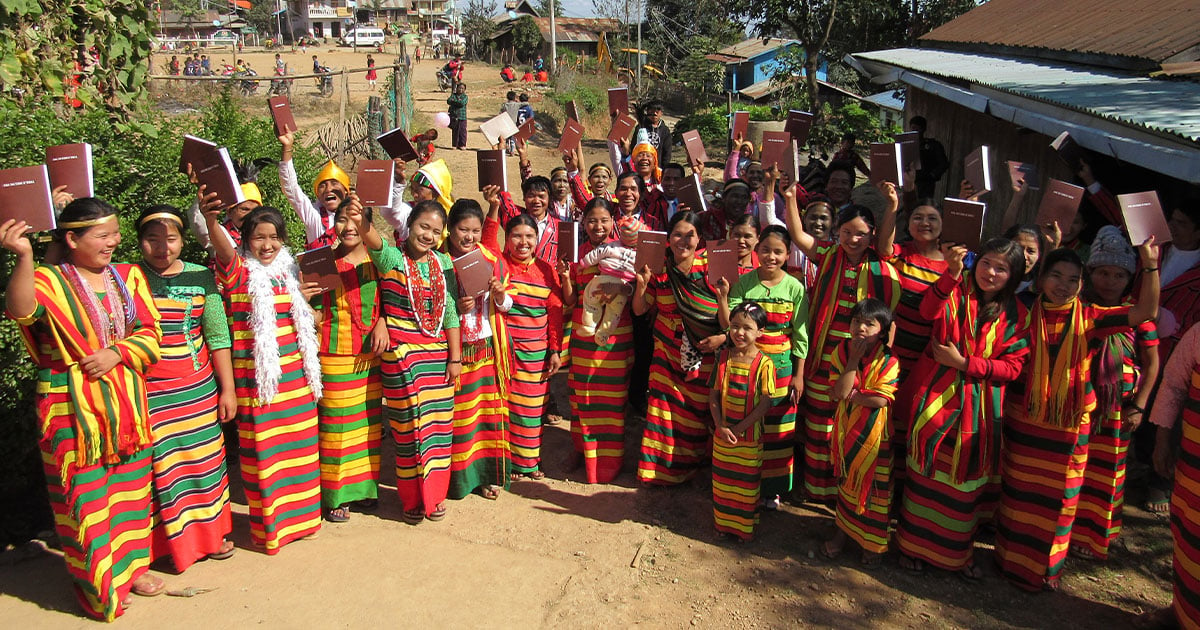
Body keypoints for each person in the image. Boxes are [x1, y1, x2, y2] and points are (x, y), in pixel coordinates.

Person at [1, 199, 164, 620]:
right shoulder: (48, 280)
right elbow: (21, 310)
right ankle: (99, 586)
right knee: (87, 499)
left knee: (130, 493)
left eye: (115, 233)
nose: (114, 242)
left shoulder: (127, 277)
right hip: (70, 407)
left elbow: (151, 332)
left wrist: (117, 353)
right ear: (72, 239)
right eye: (103, 235)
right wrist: (23, 256)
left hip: (126, 402)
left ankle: (134, 569)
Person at [994, 241, 1159, 592]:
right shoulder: (1020, 313)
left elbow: (1145, 311)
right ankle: (1009, 561)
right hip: (1025, 419)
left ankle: (1044, 572)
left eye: (1072, 279)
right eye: (1055, 275)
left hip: (1069, 425)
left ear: (1081, 286)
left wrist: (1150, 265)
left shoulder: (1092, 319)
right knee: (1020, 492)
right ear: (1040, 280)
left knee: (1060, 498)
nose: (1062, 285)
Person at [894, 238, 1029, 579]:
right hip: (935, 394)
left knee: (964, 479)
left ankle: (955, 554)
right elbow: (927, 312)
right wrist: (951, 275)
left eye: (1001, 269)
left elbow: (1013, 368)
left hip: (979, 407)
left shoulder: (1017, 313)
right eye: (986, 263)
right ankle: (911, 547)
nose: (991, 273)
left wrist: (965, 362)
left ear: (1012, 277)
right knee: (926, 470)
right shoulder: (955, 290)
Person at [200, 189, 324, 554]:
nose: (266, 245)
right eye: (258, 237)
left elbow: (308, 319)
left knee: (300, 451)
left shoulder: (291, 271)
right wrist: (210, 220)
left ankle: (303, 522)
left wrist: (307, 302)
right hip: (259, 382)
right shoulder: (238, 272)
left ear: (283, 240)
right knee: (265, 455)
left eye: (273, 237)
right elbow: (223, 250)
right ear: (245, 239)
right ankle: (272, 530)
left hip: (297, 380)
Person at [783, 185, 900, 501]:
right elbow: (797, 234)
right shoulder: (828, 254)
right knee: (820, 422)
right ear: (837, 232)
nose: (853, 239)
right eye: (847, 232)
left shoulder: (880, 264)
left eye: (861, 234)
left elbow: (888, 243)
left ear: (871, 235)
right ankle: (818, 488)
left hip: (861, 356)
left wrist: (892, 207)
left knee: (848, 420)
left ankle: (846, 489)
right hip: (824, 355)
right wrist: (791, 198)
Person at [135, 206, 237, 570]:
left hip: (196, 389)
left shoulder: (200, 276)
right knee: (161, 469)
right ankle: (165, 548)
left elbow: (217, 334)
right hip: (147, 393)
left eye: (172, 239)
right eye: (153, 240)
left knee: (205, 463)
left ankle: (212, 537)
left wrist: (228, 390)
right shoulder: (127, 279)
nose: (163, 248)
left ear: (182, 240)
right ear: (139, 242)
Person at [354, 200, 461, 524]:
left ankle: (435, 496)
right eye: (423, 227)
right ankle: (413, 498)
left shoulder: (444, 263)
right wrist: (361, 219)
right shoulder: (391, 258)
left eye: (435, 231)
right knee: (410, 429)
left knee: (439, 430)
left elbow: (451, 313)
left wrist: (455, 358)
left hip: (438, 357)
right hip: (402, 358)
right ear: (410, 224)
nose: (428, 235)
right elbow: (371, 237)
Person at [1070, 227, 1159, 560]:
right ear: (1091, 272)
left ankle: (1092, 538)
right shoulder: (1079, 308)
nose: (1110, 281)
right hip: (1079, 404)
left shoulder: (1138, 317)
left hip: (1118, 410)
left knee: (1106, 474)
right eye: (1103, 272)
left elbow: (1152, 366)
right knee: (1074, 467)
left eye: (1118, 274)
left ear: (1129, 278)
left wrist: (1139, 406)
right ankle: (1066, 528)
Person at [717, 225, 809, 509]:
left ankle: (773, 490)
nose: (771, 256)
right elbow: (728, 325)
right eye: (766, 250)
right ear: (757, 252)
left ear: (788, 254)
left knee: (778, 430)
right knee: (746, 425)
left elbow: (801, 335)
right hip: (746, 367)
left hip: (781, 369)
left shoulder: (795, 287)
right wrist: (723, 298)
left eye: (778, 251)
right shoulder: (744, 284)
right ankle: (743, 485)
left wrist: (799, 375)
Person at [634, 211, 727, 485]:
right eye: (677, 234)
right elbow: (640, 310)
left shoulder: (712, 266)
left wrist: (722, 335)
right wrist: (641, 286)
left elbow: (729, 315)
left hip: (705, 351)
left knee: (698, 413)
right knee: (663, 411)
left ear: (700, 239)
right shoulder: (658, 266)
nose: (683, 241)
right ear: (668, 237)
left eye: (690, 235)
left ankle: (695, 464)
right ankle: (660, 472)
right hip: (666, 351)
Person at [310, 198, 388, 523]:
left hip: (371, 357)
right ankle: (335, 494)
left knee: (368, 425)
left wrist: (382, 321)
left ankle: (365, 489)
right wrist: (309, 311)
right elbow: (309, 305)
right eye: (342, 219)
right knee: (336, 426)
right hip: (334, 354)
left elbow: (392, 298)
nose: (349, 226)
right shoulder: (323, 261)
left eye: (356, 219)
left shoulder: (379, 260)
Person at [563, 199, 635, 483]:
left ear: (613, 222)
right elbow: (569, 299)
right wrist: (562, 274)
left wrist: (619, 287)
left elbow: (640, 288)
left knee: (611, 401)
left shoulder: (627, 251)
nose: (598, 226)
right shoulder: (575, 253)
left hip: (616, 336)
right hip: (583, 334)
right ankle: (580, 450)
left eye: (604, 220)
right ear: (584, 223)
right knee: (581, 396)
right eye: (592, 220)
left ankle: (608, 461)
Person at [445, 199, 513, 500]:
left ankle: (487, 476)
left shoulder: (491, 260)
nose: (469, 237)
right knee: (458, 419)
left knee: (486, 417)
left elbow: (508, 305)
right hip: (454, 354)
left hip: (487, 349)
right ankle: (458, 482)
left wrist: (499, 295)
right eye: (463, 230)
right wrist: (455, 308)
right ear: (450, 229)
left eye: (475, 230)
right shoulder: (439, 261)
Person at [824, 298, 900, 564]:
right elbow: (839, 392)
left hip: (876, 437)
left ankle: (872, 544)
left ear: (883, 330)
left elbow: (880, 400)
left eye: (870, 323)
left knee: (875, 491)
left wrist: (851, 395)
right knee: (847, 485)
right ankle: (842, 534)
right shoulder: (842, 352)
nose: (861, 328)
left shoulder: (889, 360)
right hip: (847, 430)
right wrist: (854, 360)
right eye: (857, 321)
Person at [491, 212, 564, 479]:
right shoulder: (498, 266)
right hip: (505, 352)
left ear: (538, 238)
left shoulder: (547, 270)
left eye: (529, 236)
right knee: (507, 407)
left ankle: (530, 461)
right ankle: (509, 463)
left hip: (537, 353)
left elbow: (555, 312)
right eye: (517, 236)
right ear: (507, 239)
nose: (523, 242)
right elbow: (487, 242)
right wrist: (493, 209)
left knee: (533, 409)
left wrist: (555, 349)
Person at [1146, 322, 1200, 629]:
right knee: (1189, 536)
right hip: (1193, 469)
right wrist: (1162, 442)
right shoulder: (1198, 335)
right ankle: (1181, 611)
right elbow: (1173, 387)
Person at [709, 301, 777, 541]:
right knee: (724, 483)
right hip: (723, 435)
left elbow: (765, 403)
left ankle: (742, 530)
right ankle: (723, 524)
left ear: (761, 331)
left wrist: (738, 429)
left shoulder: (765, 364)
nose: (739, 332)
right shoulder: (723, 357)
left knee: (745, 485)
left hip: (748, 439)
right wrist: (720, 426)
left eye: (747, 327)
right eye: (735, 326)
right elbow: (714, 395)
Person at [490, 175, 561, 263]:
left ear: (549, 199)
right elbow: (499, 190)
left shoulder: (560, 227)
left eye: (541, 196)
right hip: (513, 273)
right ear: (524, 197)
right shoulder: (514, 217)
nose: (536, 201)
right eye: (531, 196)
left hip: (545, 276)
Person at [909, 116, 949, 199]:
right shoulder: (907, 145)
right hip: (909, 181)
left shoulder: (932, 145)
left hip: (925, 184)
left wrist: (932, 175)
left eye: (917, 129)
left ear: (923, 129)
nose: (915, 132)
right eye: (913, 129)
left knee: (923, 206)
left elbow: (943, 163)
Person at [632, 100, 672, 169]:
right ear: (647, 112)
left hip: (658, 168)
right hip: (642, 166)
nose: (654, 113)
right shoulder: (640, 127)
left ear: (661, 113)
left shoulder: (665, 131)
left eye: (657, 111)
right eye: (652, 110)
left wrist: (664, 169)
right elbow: (633, 147)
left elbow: (667, 152)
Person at [447, 82, 468, 150]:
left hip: (462, 117)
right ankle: (455, 145)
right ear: (457, 88)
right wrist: (457, 101)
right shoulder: (453, 95)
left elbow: (462, 103)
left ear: (464, 90)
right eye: (459, 88)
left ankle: (462, 145)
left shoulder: (465, 97)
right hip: (454, 117)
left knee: (462, 131)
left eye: (462, 88)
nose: (461, 90)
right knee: (455, 131)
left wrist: (454, 102)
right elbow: (449, 101)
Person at [501, 91, 521, 155]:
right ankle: (512, 150)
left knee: (506, 137)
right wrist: (518, 101)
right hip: (513, 124)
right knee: (512, 138)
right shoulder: (517, 105)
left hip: (506, 123)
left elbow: (501, 112)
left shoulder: (505, 105)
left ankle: (507, 148)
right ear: (514, 97)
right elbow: (526, 103)